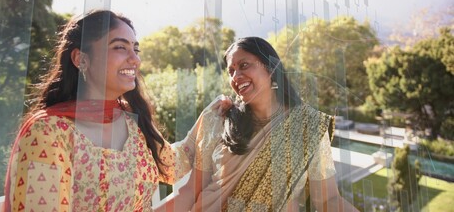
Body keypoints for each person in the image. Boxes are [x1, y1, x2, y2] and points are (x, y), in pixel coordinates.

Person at [2, 10, 204, 211]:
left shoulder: (132, 121)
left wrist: (209, 118)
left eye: (136, 49)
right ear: (80, 59)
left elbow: (173, 166)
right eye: (120, 47)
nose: (135, 59)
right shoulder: (49, 132)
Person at [154, 37, 359, 211]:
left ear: (271, 68)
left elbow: (327, 199)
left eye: (243, 65)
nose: (236, 76)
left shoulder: (308, 126)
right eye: (231, 71)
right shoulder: (220, 119)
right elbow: (191, 191)